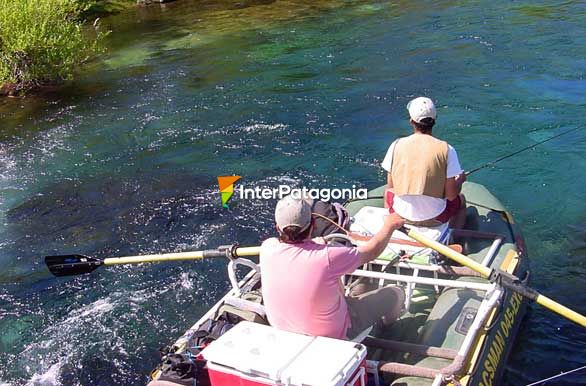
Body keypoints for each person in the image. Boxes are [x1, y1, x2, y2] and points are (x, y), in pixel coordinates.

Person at [260, 195, 405, 340]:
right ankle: (388, 331)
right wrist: (389, 225)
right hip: (334, 335)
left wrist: (315, 243)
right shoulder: (328, 257)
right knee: (396, 293)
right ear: (313, 224)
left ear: (278, 227)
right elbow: (372, 251)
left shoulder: (267, 247)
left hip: (285, 330)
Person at [381, 96, 466, 228]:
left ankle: (391, 226)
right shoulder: (447, 150)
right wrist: (460, 180)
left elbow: (391, 186)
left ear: (411, 121)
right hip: (434, 216)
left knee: (387, 193)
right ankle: (454, 236)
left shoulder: (395, 145)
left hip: (401, 215)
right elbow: (451, 195)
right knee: (461, 200)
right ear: (434, 120)